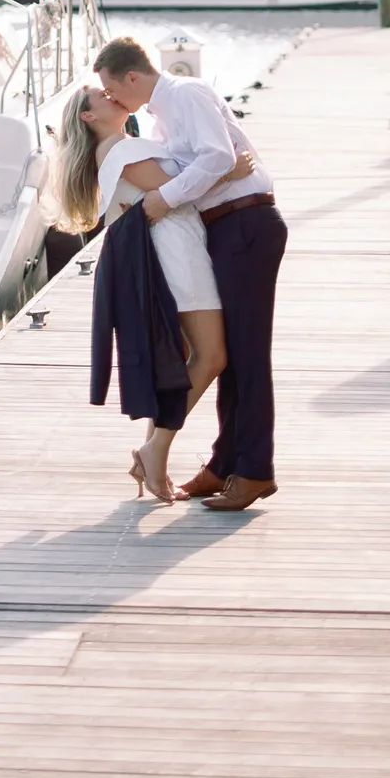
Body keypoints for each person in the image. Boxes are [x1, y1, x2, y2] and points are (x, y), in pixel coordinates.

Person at [94, 37, 287, 512]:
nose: (113, 97)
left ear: (132, 77)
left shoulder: (185, 94)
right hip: (223, 229)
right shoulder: (161, 120)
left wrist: (165, 199)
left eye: (111, 88)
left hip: (246, 222)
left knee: (249, 356)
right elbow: (209, 167)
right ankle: (225, 464)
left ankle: (256, 470)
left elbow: (218, 158)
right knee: (234, 358)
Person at [52, 85, 239, 500]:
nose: (110, 93)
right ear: (88, 116)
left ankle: (155, 459)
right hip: (177, 256)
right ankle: (155, 449)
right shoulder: (121, 151)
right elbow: (183, 187)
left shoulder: (126, 147)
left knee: (183, 362)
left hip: (173, 252)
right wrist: (231, 167)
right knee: (211, 356)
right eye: (100, 94)